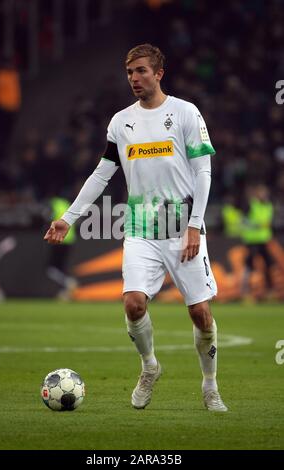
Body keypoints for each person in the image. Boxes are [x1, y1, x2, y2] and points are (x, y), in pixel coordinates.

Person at [44, 44, 227, 412]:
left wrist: (194, 226)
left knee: (200, 314)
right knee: (132, 303)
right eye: (129, 72)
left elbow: (203, 171)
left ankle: (210, 384)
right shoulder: (120, 121)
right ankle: (149, 367)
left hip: (182, 226)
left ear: (159, 73)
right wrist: (70, 217)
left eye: (141, 71)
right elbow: (102, 174)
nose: (134, 79)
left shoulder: (185, 112)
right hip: (141, 227)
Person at [241, 184, 274, 301]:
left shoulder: (269, 206)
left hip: (264, 240)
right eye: (261, 192)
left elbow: (269, 222)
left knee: (269, 265)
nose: (263, 195)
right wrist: (256, 225)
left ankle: (269, 292)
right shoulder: (251, 205)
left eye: (264, 193)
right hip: (252, 241)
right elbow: (243, 221)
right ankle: (245, 292)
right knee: (249, 266)